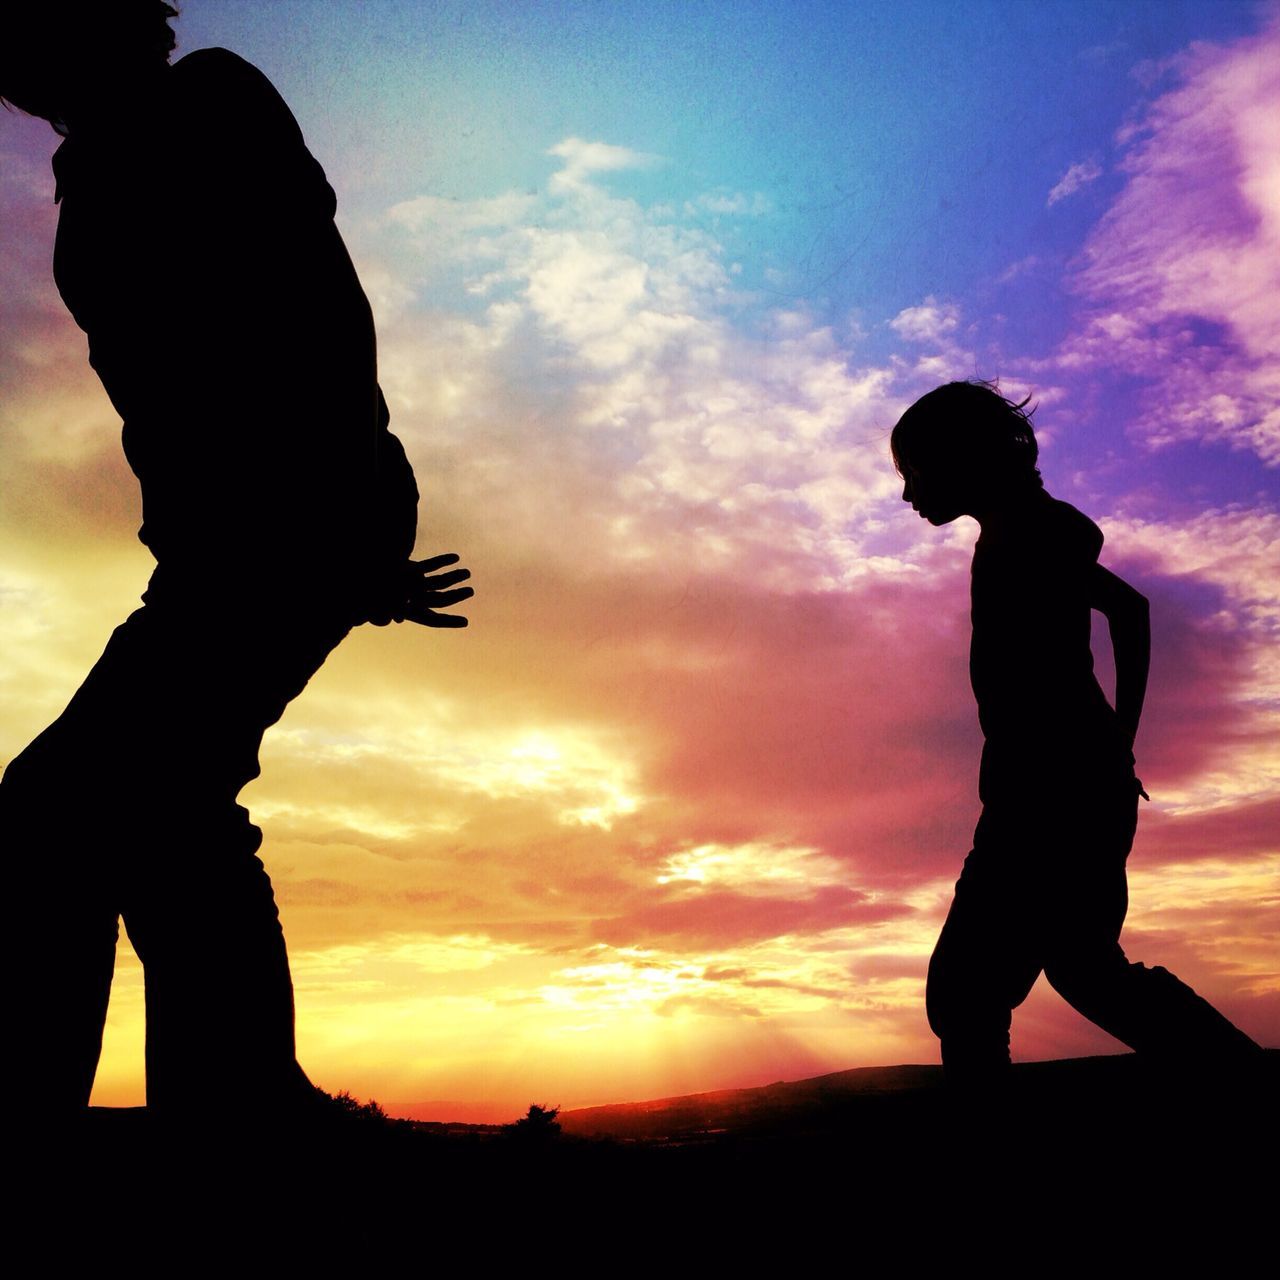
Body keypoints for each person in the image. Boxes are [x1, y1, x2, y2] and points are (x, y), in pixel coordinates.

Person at [0, 2, 473, 1118]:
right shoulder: (98, 161)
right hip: (232, 541)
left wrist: (344, 529)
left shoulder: (204, 98)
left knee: (56, 810)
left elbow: (322, 316)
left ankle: (81, 1117)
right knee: (162, 818)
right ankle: (234, 1109)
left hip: (289, 514)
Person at [891, 379, 1261, 1090]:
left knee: (969, 993)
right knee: (1080, 971)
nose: (909, 494)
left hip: (1046, 801)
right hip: (1064, 790)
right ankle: (1241, 1082)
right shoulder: (1015, 532)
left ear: (962, 459)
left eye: (915, 473)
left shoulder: (1029, 533)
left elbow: (1120, 599)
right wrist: (1118, 744)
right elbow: (1128, 607)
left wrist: (1117, 741)